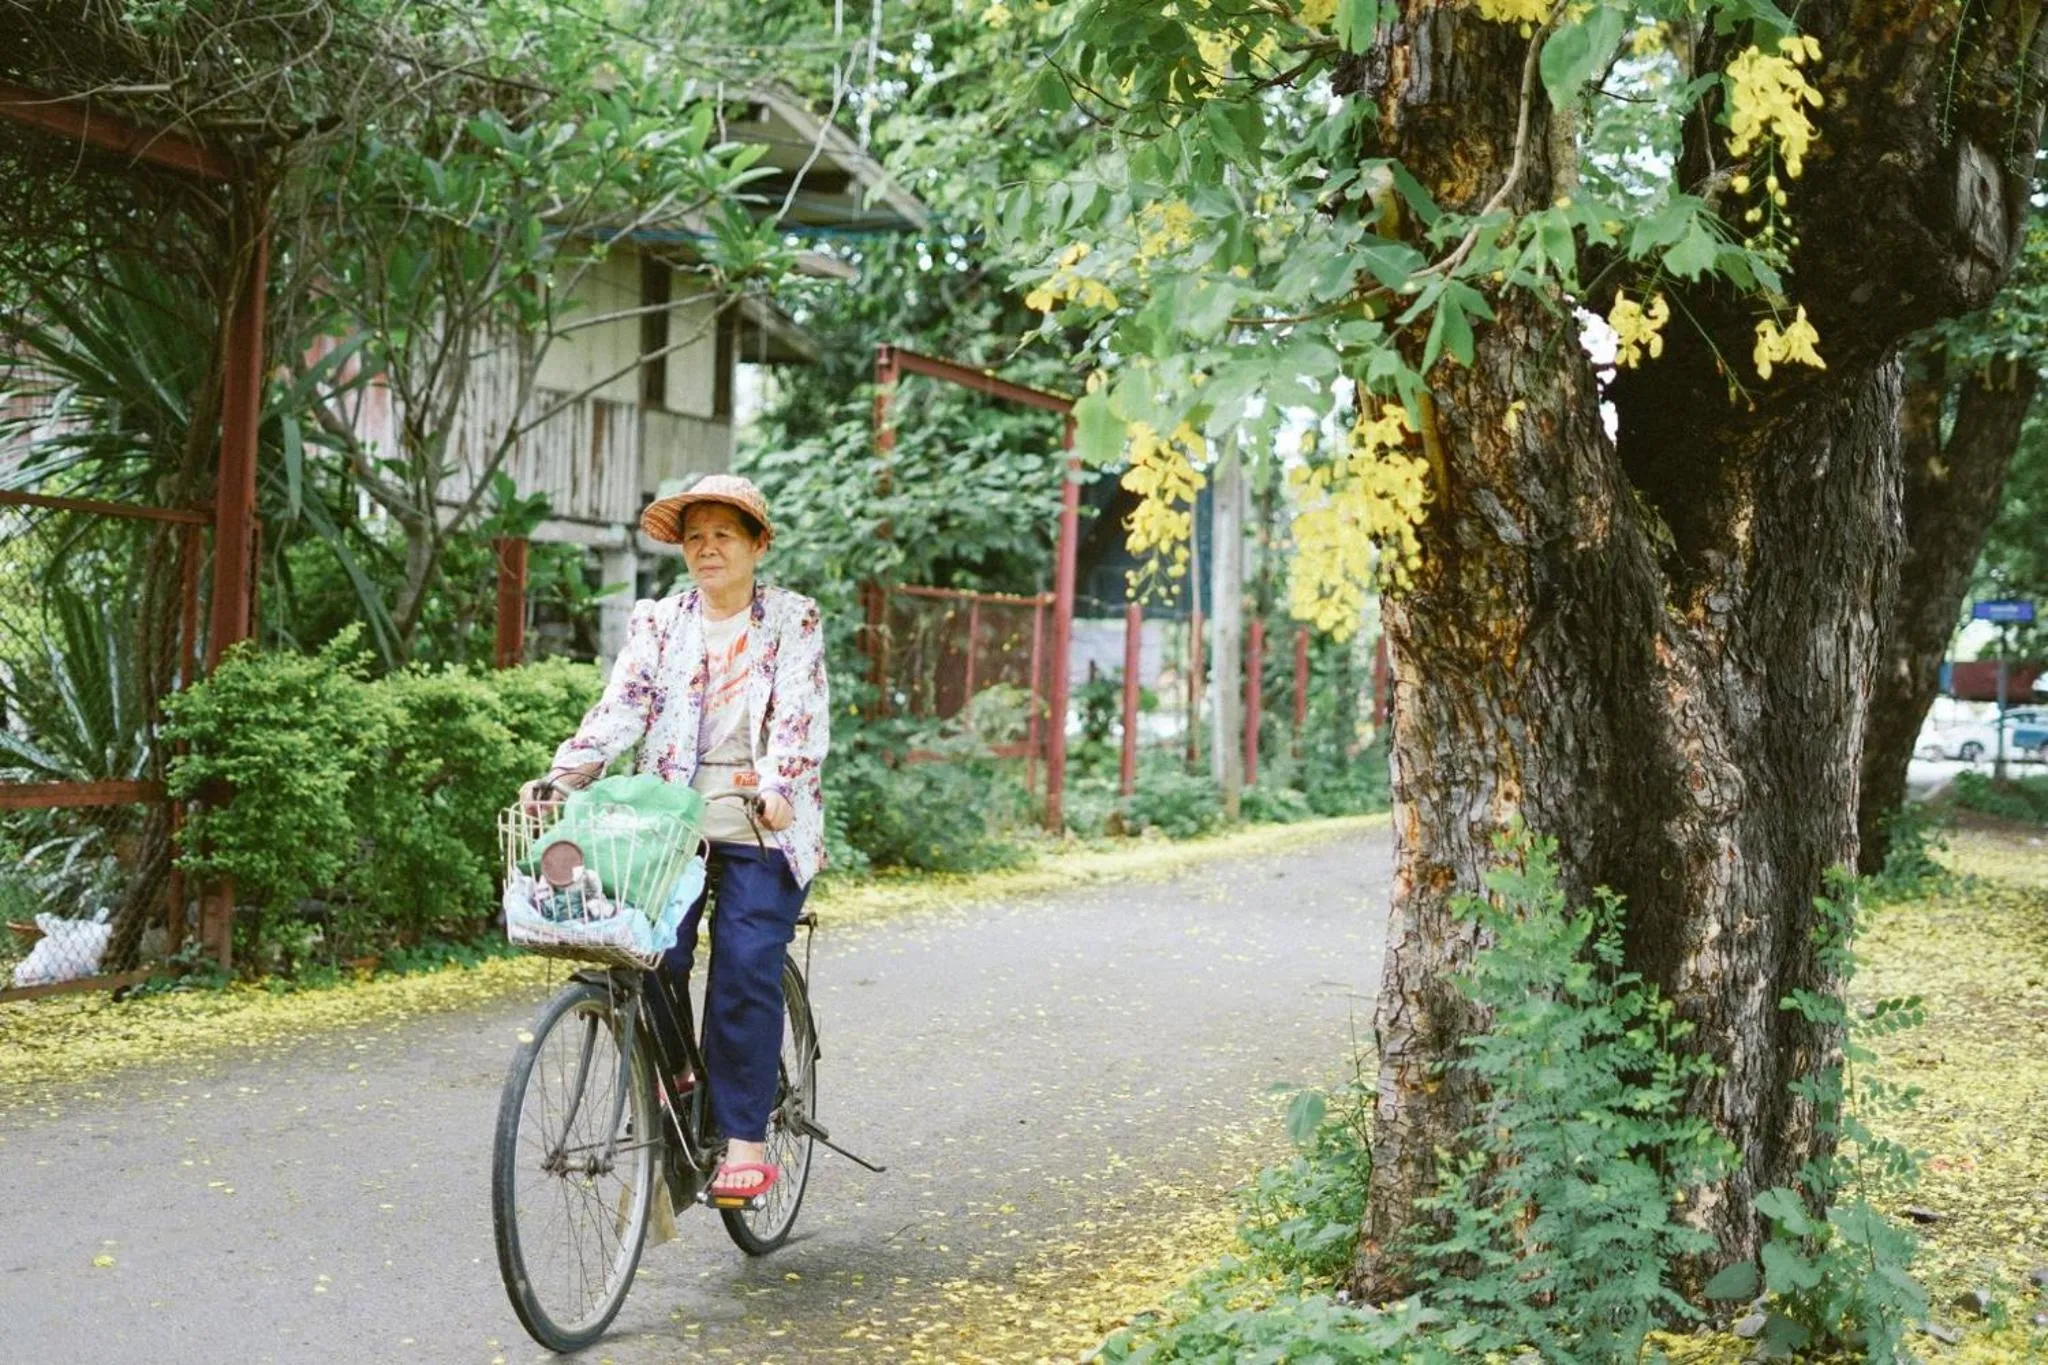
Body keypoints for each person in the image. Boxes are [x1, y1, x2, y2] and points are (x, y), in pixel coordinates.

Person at [521, 473, 828, 1204]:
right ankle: (680, 1083)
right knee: (642, 946)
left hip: (762, 822)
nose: (707, 548)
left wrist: (781, 787)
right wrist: (566, 776)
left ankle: (746, 1136)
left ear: (757, 544)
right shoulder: (661, 621)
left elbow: (800, 716)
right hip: (669, 823)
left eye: (724, 534)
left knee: (745, 961)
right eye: (695, 536)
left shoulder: (792, 619)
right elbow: (621, 705)